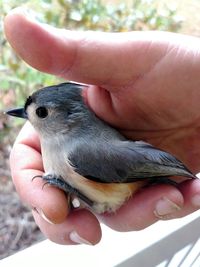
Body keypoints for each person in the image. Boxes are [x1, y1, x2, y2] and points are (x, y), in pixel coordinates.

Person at [4, 8, 200, 246]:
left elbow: (111, 198)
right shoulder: (62, 147)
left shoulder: (77, 155)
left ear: (70, 118)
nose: (30, 117)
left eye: (41, 113)